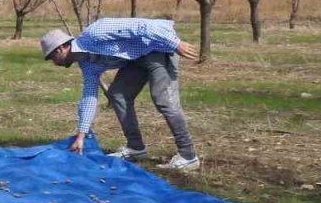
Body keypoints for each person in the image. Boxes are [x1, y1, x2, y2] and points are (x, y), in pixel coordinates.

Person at [39, 18, 201, 170]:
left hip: (157, 48)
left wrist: (175, 43)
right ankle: (135, 147)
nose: (54, 63)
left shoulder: (95, 32)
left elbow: (143, 27)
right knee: (118, 94)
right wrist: (81, 136)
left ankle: (188, 156)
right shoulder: (87, 65)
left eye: (52, 58)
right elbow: (89, 97)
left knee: (164, 99)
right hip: (136, 59)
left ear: (60, 49)